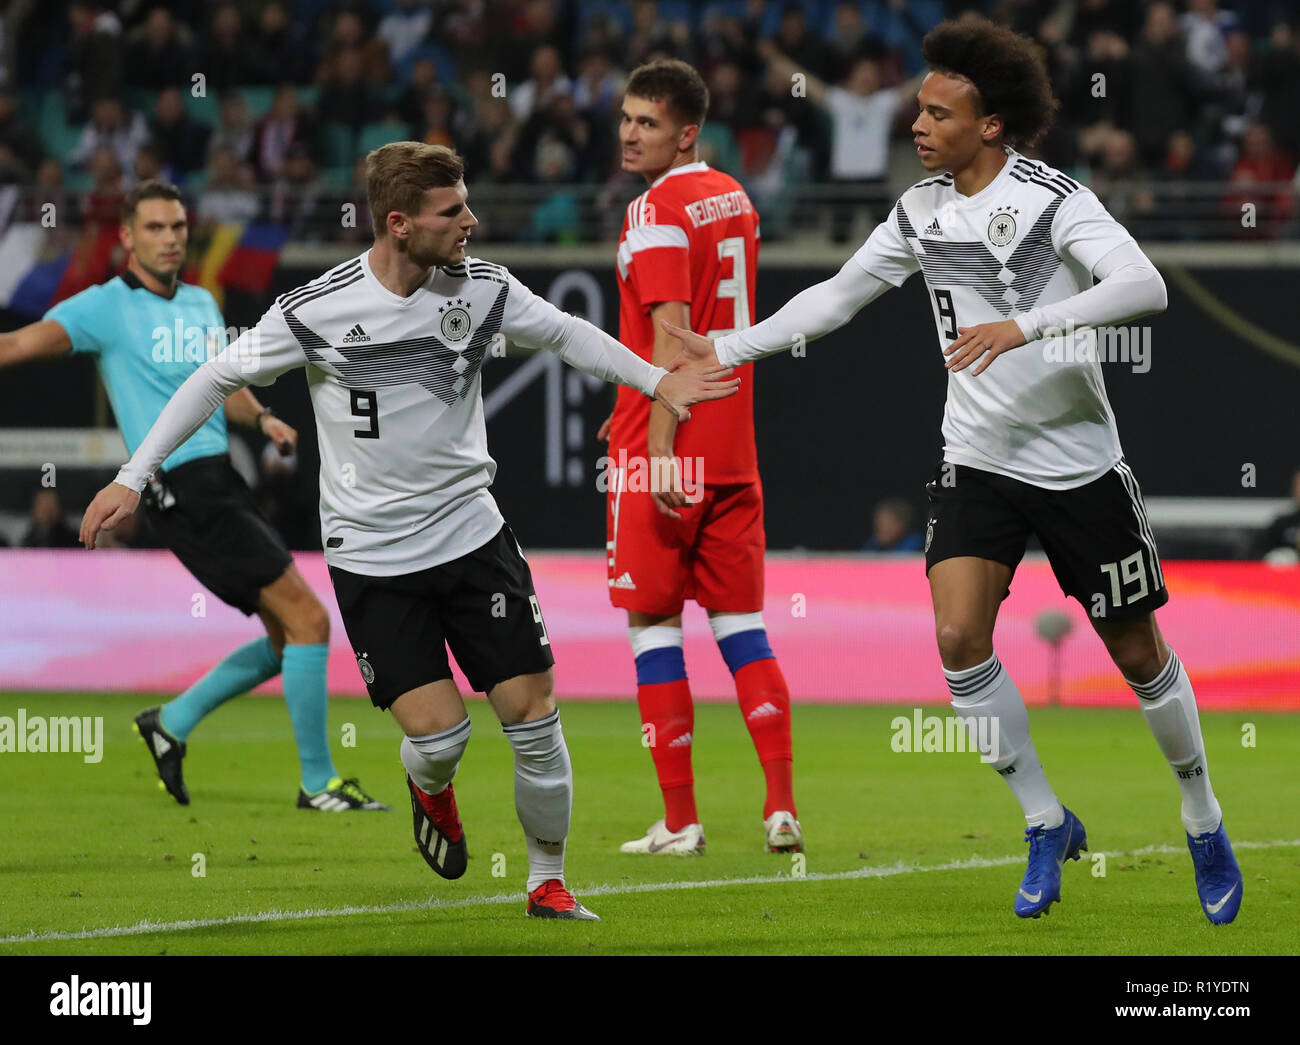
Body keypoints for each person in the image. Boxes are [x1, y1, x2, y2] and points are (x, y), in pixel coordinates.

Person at [661, 18, 1243, 925]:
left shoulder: (1056, 201)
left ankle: (1201, 814)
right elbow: (837, 295)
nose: (919, 124)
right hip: (977, 460)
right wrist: (729, 345)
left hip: (1081, 466)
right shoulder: (919, 208)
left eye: (939, 112)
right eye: (920, 109)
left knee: (1138, 654)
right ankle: (1045, 820)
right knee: (960, 638)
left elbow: (1145, 286)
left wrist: (1026, 324)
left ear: (993, 123)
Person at [80, 142, 739, 920]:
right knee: (441, 739)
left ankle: (546, 881)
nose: (472, 221)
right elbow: (216, 377)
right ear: (398, 224)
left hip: (472, 538)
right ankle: (431, 787)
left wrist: (659, 380)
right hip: (373, 557)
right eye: (451, 210)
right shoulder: (316, 308)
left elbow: (567, 334)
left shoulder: (482, 288)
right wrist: (132, 475)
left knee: (532, 712)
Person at [0, 179, 385, 814]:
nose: (171, 238)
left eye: (178, 227)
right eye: (155, 228)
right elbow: (19, 343)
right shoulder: (102, 307)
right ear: (125, 236)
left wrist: (261, 419)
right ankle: (318, 784)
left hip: (220, 480)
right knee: (310, 620)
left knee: (292, 635)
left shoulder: (203, 301)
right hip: (180, 487)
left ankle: (170, 723)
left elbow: (223, 385)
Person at [604, 59, 801, 857]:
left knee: (653, 627)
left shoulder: (654, 209)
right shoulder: (735, 195)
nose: (628, 133)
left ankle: (681, 820)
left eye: (646, 123)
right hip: (735, 444)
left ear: (686, 131)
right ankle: (780, 805)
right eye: (625, 118)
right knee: (743, 628)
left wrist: (653, 445)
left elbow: (671, 339)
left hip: (668, 441)